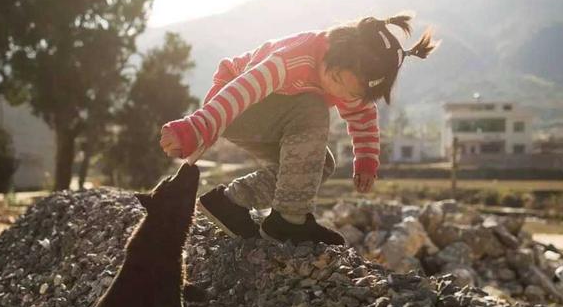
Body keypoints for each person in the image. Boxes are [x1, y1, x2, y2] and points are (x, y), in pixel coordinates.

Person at [160, 14, 438, 245]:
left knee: (317, 164)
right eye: (337, 80)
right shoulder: (294, 59)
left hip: (275, 118)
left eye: (351, 91)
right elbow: (242, 91)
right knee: (312, 106)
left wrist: (366, 159)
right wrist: (195, 127)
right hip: (234, 103)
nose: (340, 93)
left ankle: (230, 202)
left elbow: (363, 115)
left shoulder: (353, 84)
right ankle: (289, 220)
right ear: (335, 54)